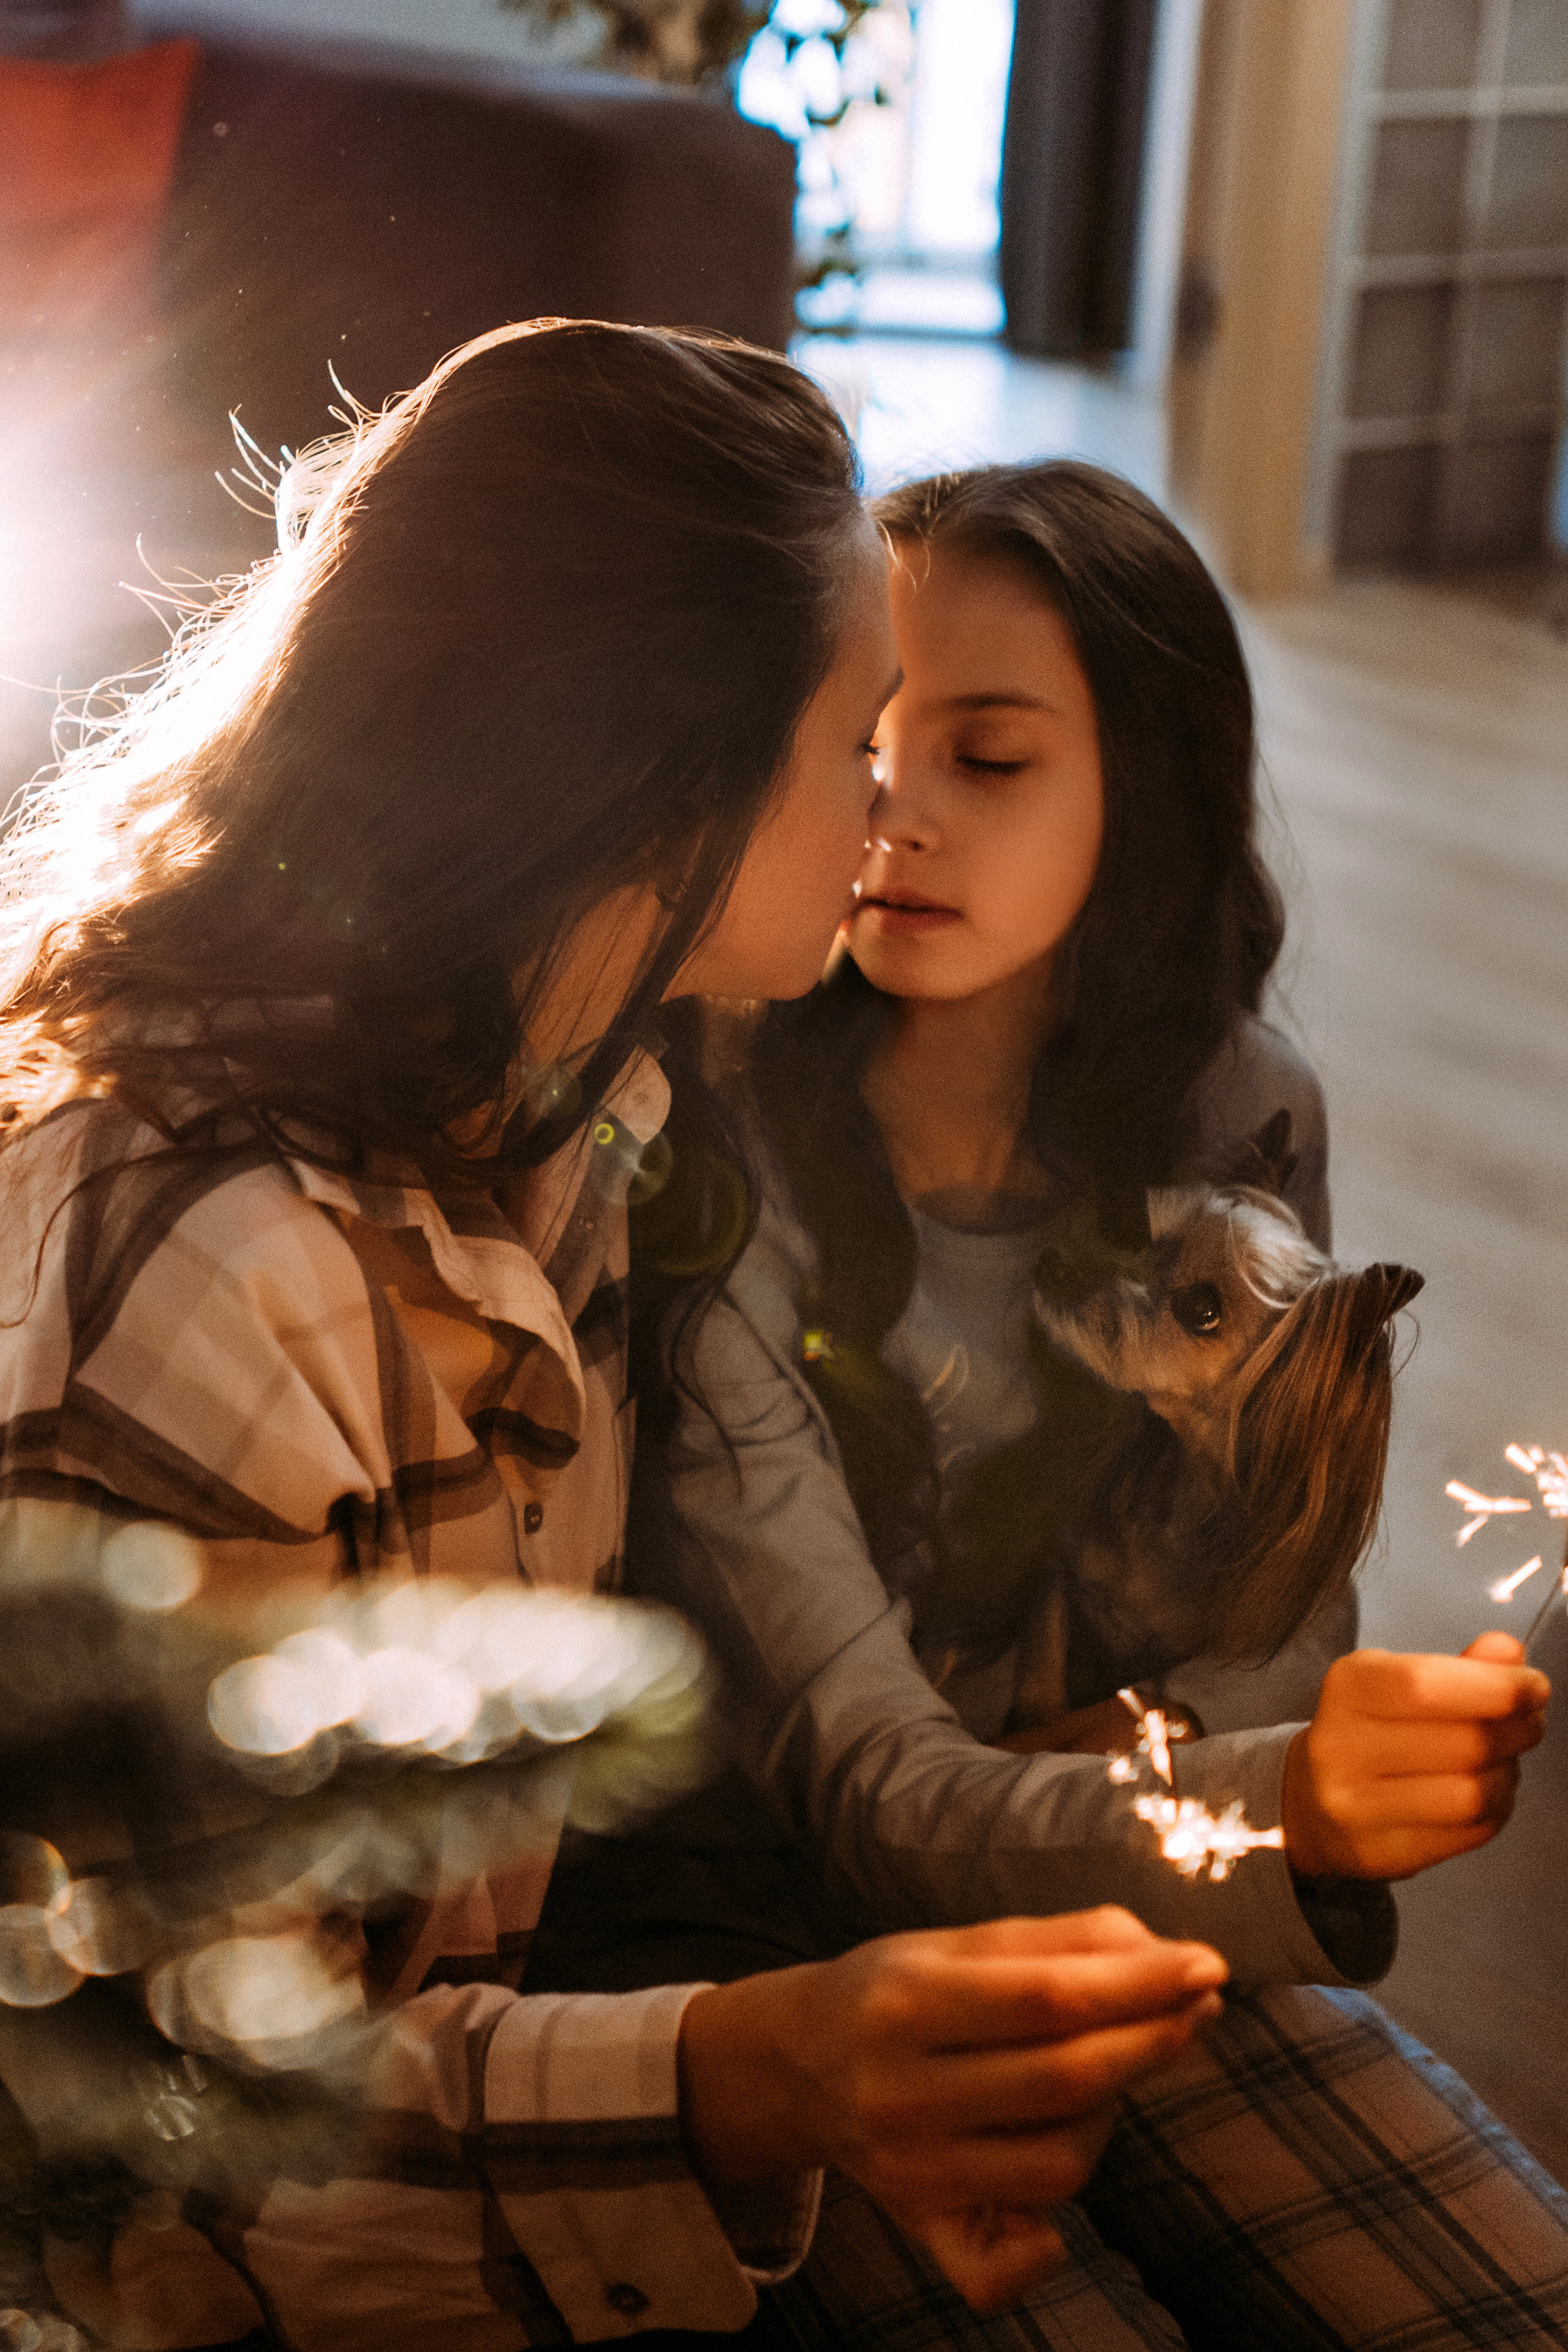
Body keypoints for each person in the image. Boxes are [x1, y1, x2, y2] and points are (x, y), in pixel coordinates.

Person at [0, 345, 1238, 2352]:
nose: (891, 801)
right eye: (857, 738)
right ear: (657, 766)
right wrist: (762, 2072)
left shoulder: (586, 1102)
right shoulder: (218, 1272)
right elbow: (168, 2158)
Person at [612, 461, 1568, 2345]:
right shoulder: (711, 1143)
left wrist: (1199, 1748)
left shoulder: (1237, 1108)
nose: (894, 811)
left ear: (1148, 790)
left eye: (990, 755)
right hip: (775, 1937)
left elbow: (1273, 1608)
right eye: (860, 741)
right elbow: (868, 1793)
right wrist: (1265, 1791)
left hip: (1114, 1872)